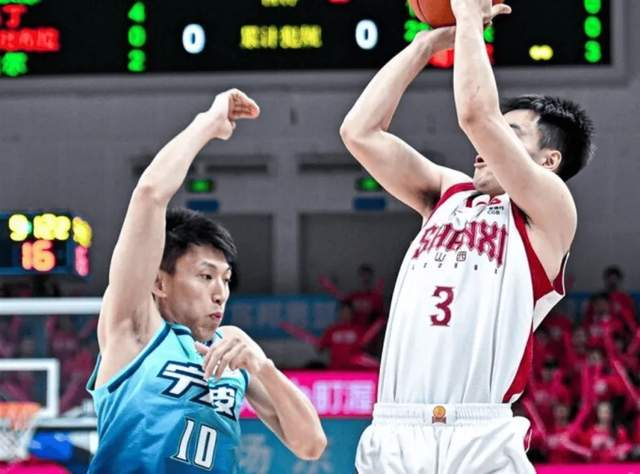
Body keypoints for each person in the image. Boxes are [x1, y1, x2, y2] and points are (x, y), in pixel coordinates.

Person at [339, 0, 595, 471]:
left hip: (479, 436)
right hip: (395, 429)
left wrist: (471, 17)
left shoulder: (550, 211)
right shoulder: (448, 193)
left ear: (548, 161)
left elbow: (477, 116)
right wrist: (424, 46)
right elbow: (360, 132)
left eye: (510, 133)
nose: (480, 149)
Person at [86, 89, 326, 473]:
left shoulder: (231, 349)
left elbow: (311, 444)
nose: (220, 293)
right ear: (159, 283)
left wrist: (263, 367)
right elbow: (149, 195)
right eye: (205, 276)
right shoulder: (136, 329)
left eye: (226, 279)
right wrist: (209, 124)